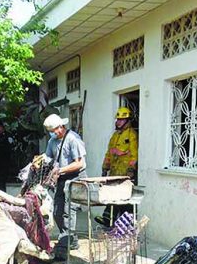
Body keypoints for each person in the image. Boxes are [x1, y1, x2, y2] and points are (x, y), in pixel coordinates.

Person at [43, 113, 86, 254]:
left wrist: (60, 170)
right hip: (61, 178)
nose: (53, 133)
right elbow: (48, 158)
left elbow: (79, 163)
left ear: (61, 126)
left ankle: (64, 243)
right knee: (57, 212)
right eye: (51, 131)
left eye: (54, 130)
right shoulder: (52, 141)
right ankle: (70, 239)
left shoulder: (73, 139)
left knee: (68, 211)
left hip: (74, 178)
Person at [96, 106, 139, 227]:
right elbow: (109, 153)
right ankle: (108, 219)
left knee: (124, 199)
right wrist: (105, 167)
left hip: (126, 173)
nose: (118, 122)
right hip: (115, 172)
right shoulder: (115, 136)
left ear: (127, 121)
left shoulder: (131, 135)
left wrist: (131, 170)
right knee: (112, 196)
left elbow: (134, 155)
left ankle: (127, 223)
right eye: (117, 119)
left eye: (121, 119)